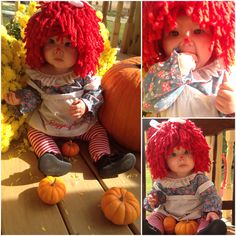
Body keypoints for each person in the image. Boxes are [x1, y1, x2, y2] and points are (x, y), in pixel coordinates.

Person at [4, 1, 136, 178]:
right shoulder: (39, 74)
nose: (58, 50)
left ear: (82, 48)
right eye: (51, 42)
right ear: (40, 44)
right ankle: (51, 158)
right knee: (34, 132)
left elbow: (96, 93)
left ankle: (104, 159)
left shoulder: (82, 74)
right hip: (48, 123)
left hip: (80, 124)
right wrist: (20, 98)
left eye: (68, 44)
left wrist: (85, 104)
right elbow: (34, 96)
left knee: (98, 132)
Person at [142, 1, 235, 117]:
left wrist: (232, 109)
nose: (186, 41)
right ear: (160, 41)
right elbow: (148, 103)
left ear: (216, 36)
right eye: (174, 33)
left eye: (198, 31)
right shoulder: (160, 71)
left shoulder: (225, 75)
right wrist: (177, 69)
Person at [143, 119, 227, 235]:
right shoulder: (163, 180)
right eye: (173, 154)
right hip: (167, 218)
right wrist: (153, 200)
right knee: (154, 218)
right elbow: (157, 197)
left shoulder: (198, 179)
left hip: (193, 218)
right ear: (163, 159)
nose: (181, 158)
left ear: (196, 153)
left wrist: (212, 211)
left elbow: (210, 196)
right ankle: (153, 231)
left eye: (186, 152)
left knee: (206, 220)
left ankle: (204, 232)